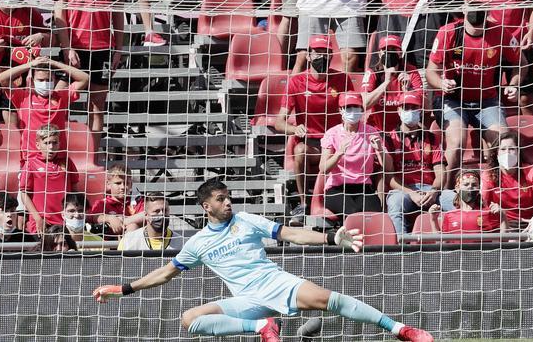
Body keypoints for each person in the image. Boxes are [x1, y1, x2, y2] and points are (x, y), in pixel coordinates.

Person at [93, 179, 433, 342]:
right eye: (220, 200)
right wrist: (124, 288)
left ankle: (401, 330)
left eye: (229, 198)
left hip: (277, 284)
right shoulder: (198, 243)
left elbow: (291, 234)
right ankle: (262, 327)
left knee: (332, 300)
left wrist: (332, 237)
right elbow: (166, 273)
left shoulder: (246, 221)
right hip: (247, 302)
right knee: (190, 319)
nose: (228, 203)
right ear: (205, 207)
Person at [425, 9, 520, 190]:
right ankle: (447, 193)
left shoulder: (499, 32)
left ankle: (497, 190)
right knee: (457, 140)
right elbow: (431, 72)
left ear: (487, 17)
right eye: (472, 27)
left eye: (480, 27)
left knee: (501, 140)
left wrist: (514, 84)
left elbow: (520, 63)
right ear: (465, 14)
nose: (476, 30)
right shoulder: (449, 32)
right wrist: (441, 83)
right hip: (452, 98)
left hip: (486, 100)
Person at [50, 0, 124, 135]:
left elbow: (118, 13)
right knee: (58, 102)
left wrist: (118, 49)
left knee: (97, 108)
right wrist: (66, 47)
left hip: (102, 47)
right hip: (75, 47)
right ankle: (57, 154)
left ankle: (93, 158)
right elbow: (59, 12)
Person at [274, 34, 357, 224]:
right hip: (312, 144)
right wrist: (294, 129)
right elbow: (279, 122)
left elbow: (354, 107)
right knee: (299, 151)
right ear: (309, 56)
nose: (322, 57)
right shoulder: (296, 82)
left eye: (326, 53)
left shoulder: (341, 79)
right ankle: (304, 204)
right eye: (318, 53)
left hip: (337, 144)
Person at [0, 56, 90, 164]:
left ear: (54, 80)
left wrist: (54, 64)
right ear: (33, 81)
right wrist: (30, 64)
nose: (45, 83)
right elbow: (3, 78)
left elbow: (85, 78)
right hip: (30, 158)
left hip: (58, 158)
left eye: (48, 80)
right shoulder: (23, 97)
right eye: (41, 80)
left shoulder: (62, 97)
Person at [383, 91, 443, 235]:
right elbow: (389, 177)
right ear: (399, 110)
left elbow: (441, 171)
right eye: (406, 107)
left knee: (454, 200)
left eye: (414, 107)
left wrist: (434, 191)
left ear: (420, 110)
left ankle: (457, 246)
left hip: (430, 189)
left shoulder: (432, 137)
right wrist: (412, 193)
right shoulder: (390, 138)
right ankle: (399, 248)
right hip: (403, 191)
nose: (410, 111)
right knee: (395, 202)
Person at [319, 94, 385, 221]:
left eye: (356, 107)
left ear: (362, 109)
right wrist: (339, 153)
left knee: (376, 216)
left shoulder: (371, 132)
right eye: (348, 107)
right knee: (354, 214)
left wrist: (379, 149)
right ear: (340, 110)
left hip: (363, 188)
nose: (352, 110)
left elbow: (387, 167)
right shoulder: (332, 133)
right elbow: (323, 169)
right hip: (336, 189)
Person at [482, 132, 533, 231]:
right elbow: (481, 205)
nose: (507, 153)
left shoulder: (531, 172)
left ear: (518, 152)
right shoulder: (488, 175)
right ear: (496, 153)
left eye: (511, 149)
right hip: (501, 224)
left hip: (530, 224)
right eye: (503, 149)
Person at [89, 163, 146, 238]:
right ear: (108, 184)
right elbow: (94, 217)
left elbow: (146, 214)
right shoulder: (102, 203)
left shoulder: (137, 201)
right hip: (107, 245)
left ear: (131, 184)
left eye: (126, 183)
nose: (123, 187)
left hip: (132, 243)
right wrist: (110, 219)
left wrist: (122, 221)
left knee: (133, 226)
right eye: (118, 183)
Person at [440, 170, 499, 235]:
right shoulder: (449, 215)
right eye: (466, 184)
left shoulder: (488, 213)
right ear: (457, 188)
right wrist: (433, 220)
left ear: (479, 188)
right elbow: (442, 243)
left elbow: (503, 240)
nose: (470, 187)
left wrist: (503, 216)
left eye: (474, 185)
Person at [117, 196, 182, 250]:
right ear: (146, 215)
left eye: (165, 210)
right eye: (156, 211)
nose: (162, 214)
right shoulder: (128, 241)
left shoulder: (181, 242)